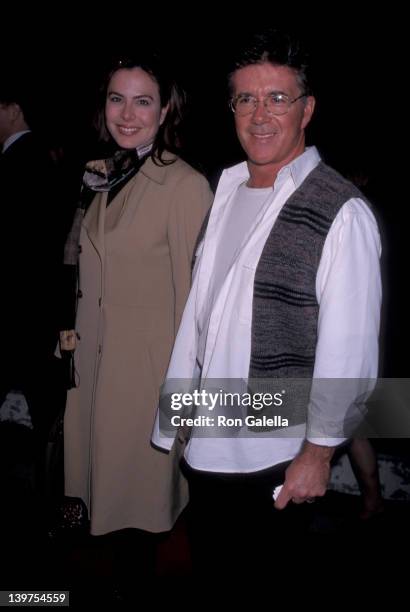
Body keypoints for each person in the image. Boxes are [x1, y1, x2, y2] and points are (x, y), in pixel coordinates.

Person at [152, 29, 382, 572]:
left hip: (276, 453)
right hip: (208, 445)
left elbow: (349, 351)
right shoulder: (227, 189)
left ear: (307, 110)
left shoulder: (340, 210)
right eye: (246, 99)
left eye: (277, 98)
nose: (260, 114)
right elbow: (201, 317)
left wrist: (319, 454)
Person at [59, 52, 212, 577]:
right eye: (116, 98)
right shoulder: (100, 174)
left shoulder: (184, 186)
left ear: (166, 109)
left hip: (145, 386)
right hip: (93, 373)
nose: (127, 113)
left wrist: (184, 407)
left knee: (136, 525)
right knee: (98, 510)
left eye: (143, 101)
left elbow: (198, 309)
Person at [0, 74, 65, 500]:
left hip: (19, 318)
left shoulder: (23, 162)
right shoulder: (39, 158)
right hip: (30, 317)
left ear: (12, 109)